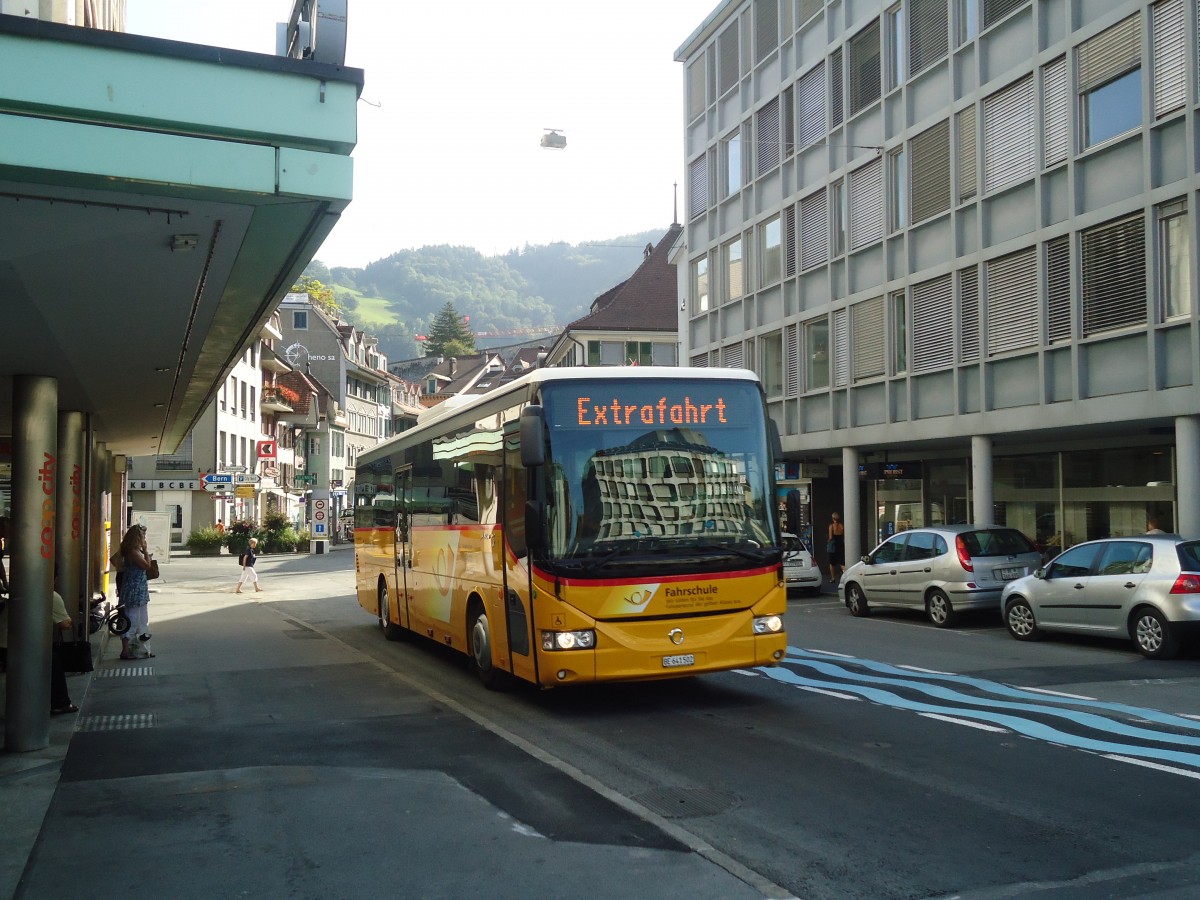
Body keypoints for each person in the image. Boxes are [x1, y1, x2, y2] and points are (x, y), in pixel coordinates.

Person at [116, 524, 155, 660]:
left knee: (142, 620)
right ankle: (126, 650)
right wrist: (145, 551)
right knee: (131, 619)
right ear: (137, 538)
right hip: (134, 590)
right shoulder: (133, 551)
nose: (144, 538)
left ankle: (141, 648)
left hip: (138, 589)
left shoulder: (132, 550)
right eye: (143, 536)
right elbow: (147, 565)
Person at [50, 589, 79, 714]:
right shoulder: (51, 595)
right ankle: (60, 703)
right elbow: (65, 624)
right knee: (53, 664)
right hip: (22, 645)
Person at [827, 512, 846, 583]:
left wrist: (828, 540)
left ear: (833, 518)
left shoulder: (831, 526)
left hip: (834, 545)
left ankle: (833, 578)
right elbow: (843, 535)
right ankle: (846, 575)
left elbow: (830, 537)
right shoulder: (841, 526)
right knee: (842, 562)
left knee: (832, 563)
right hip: (840, 544)